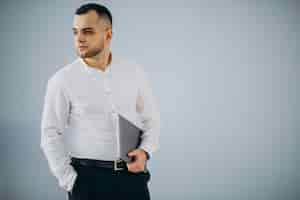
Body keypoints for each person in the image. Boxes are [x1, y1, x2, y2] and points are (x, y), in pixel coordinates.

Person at [40, 3, 161, 200]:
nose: (79, 38)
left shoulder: (134, 72)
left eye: (87, 31)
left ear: (108, 34)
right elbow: (50, 134)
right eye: (75, 32)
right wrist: (71, 181)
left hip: (132, 178)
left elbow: (151, 119)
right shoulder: (62, 80)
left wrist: (145, 151)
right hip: (88, 181)